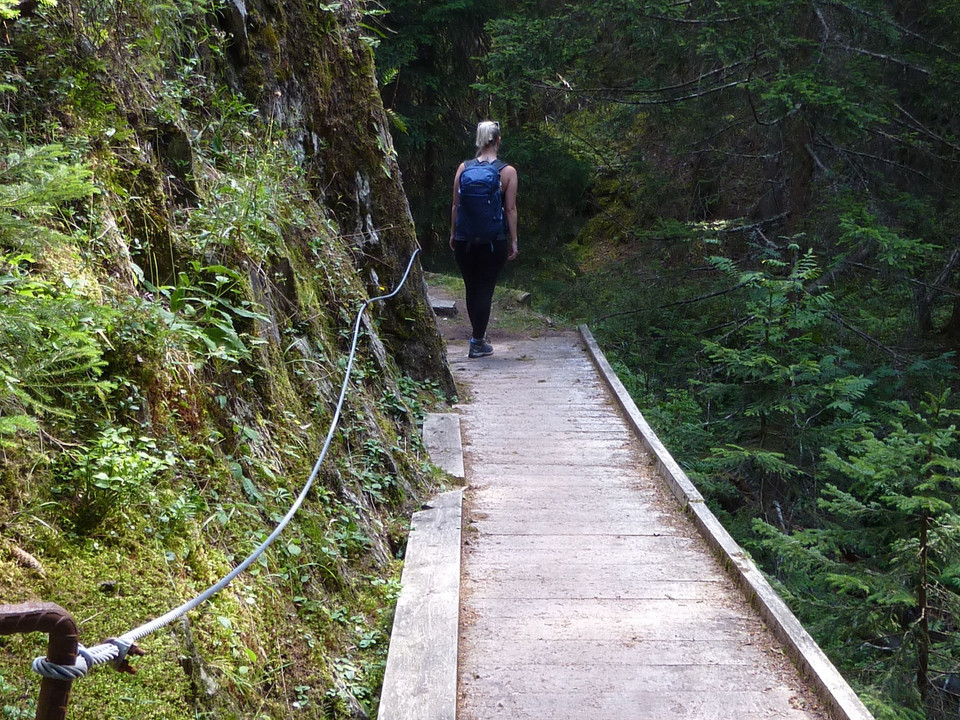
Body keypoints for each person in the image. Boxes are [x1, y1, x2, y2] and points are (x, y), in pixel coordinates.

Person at [449, 120, 519, 358]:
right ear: (498, 140)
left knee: (471, 287)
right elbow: (510, 210)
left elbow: (456, 205)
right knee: (485, 289)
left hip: (464, 240)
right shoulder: (507, 172)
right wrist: (514, 241)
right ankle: (477, 340)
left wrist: (453, 234)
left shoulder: (463, 168)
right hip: (493, 242)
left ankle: (477, 338)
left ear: (479, 140)